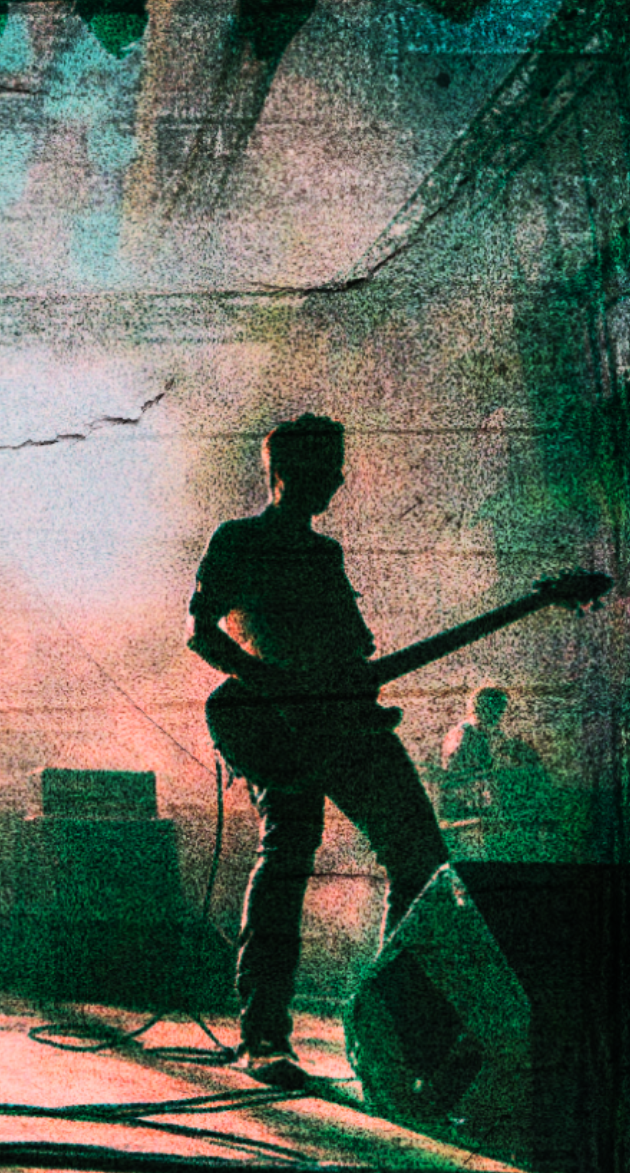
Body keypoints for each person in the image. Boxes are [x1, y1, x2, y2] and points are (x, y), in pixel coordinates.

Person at [188, 413, 448, 1086]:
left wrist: (347, 684)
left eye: (332, 473)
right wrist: (274, 683)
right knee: (288, 853)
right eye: (316, 473)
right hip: (274, 721)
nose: (330, 485)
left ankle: (390, 1029)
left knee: (421, 857)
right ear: (279, 473)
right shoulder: (238, 540)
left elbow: (350, 652)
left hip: (346, 723)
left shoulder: (325, 556)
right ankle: (263, 1036)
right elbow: (201, 634)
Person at [439, 686, 552, 823]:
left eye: (502, 710)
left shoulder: (478, 732)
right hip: (465, 798)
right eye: (498, 710)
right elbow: (471, 772)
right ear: (484, 708)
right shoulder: (467, 735)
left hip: (474, 792)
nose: (501, 715)